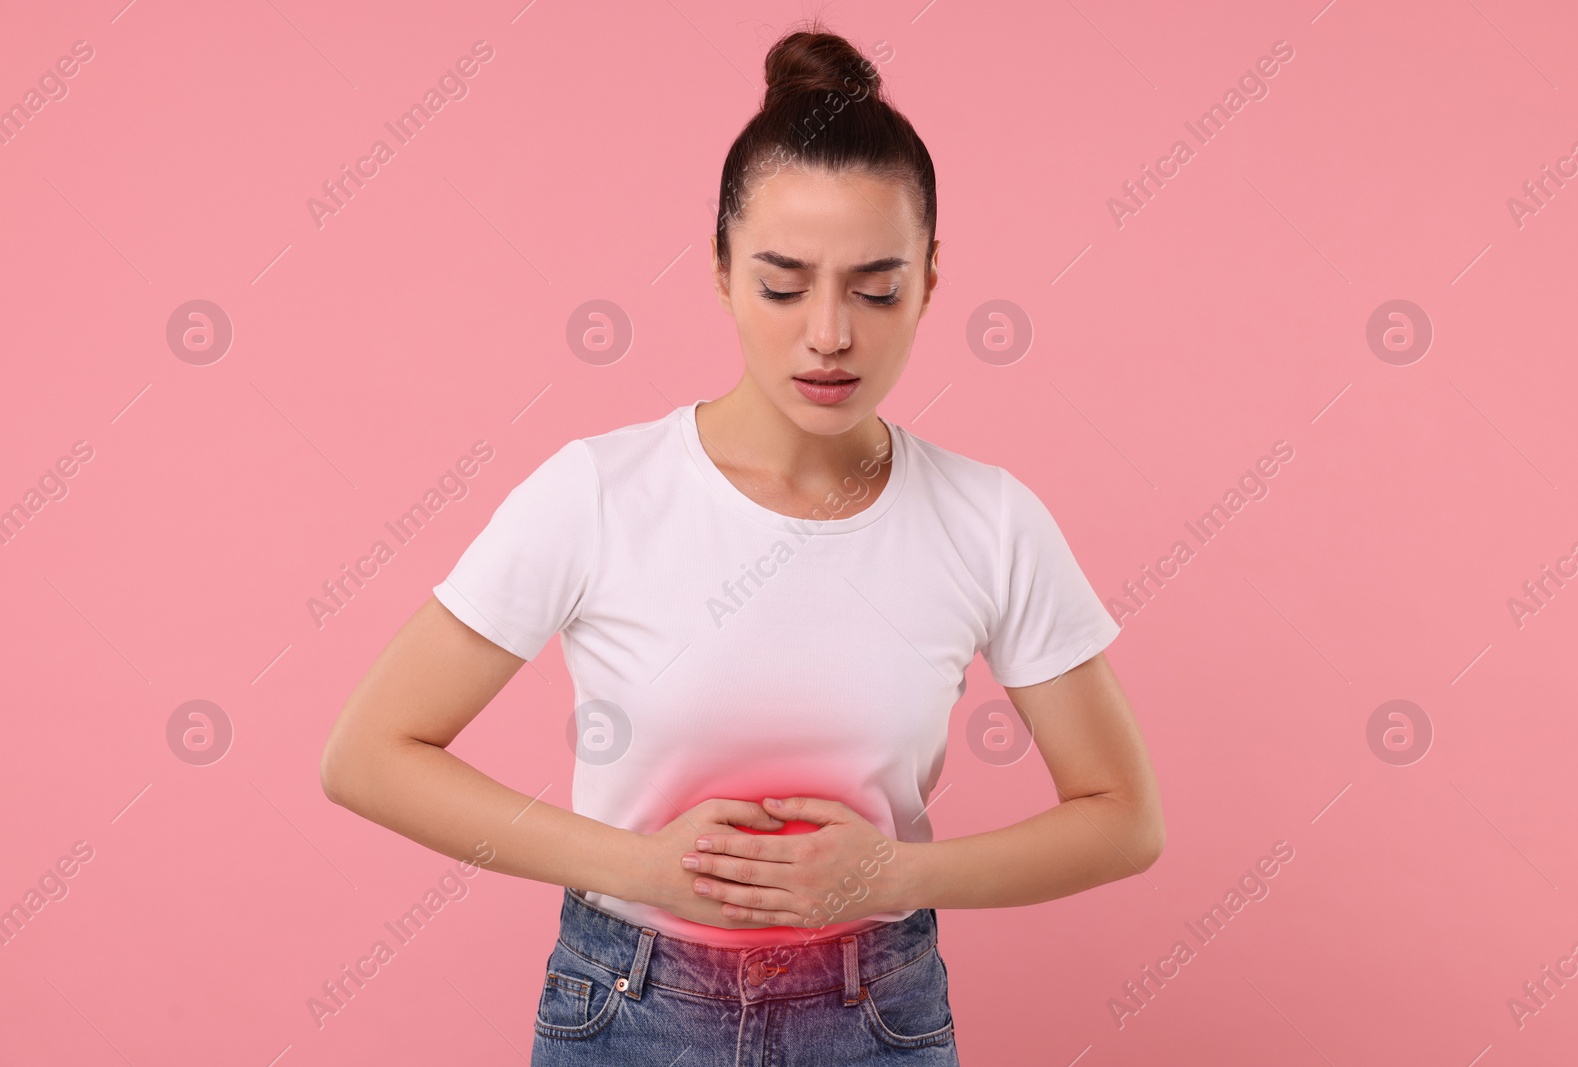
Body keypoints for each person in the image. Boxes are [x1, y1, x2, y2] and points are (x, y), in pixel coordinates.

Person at [320, 20, 1164, 1064]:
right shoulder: (598, 491)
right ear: (719, 269)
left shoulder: (987, 519)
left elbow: (1124, 815)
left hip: (876, 1016)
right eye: (782, 282)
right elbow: (368, 755)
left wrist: (891, 875)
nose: (828, 331)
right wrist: (637, 865)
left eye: (875, 286)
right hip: (627, 1007)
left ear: (932, 279)